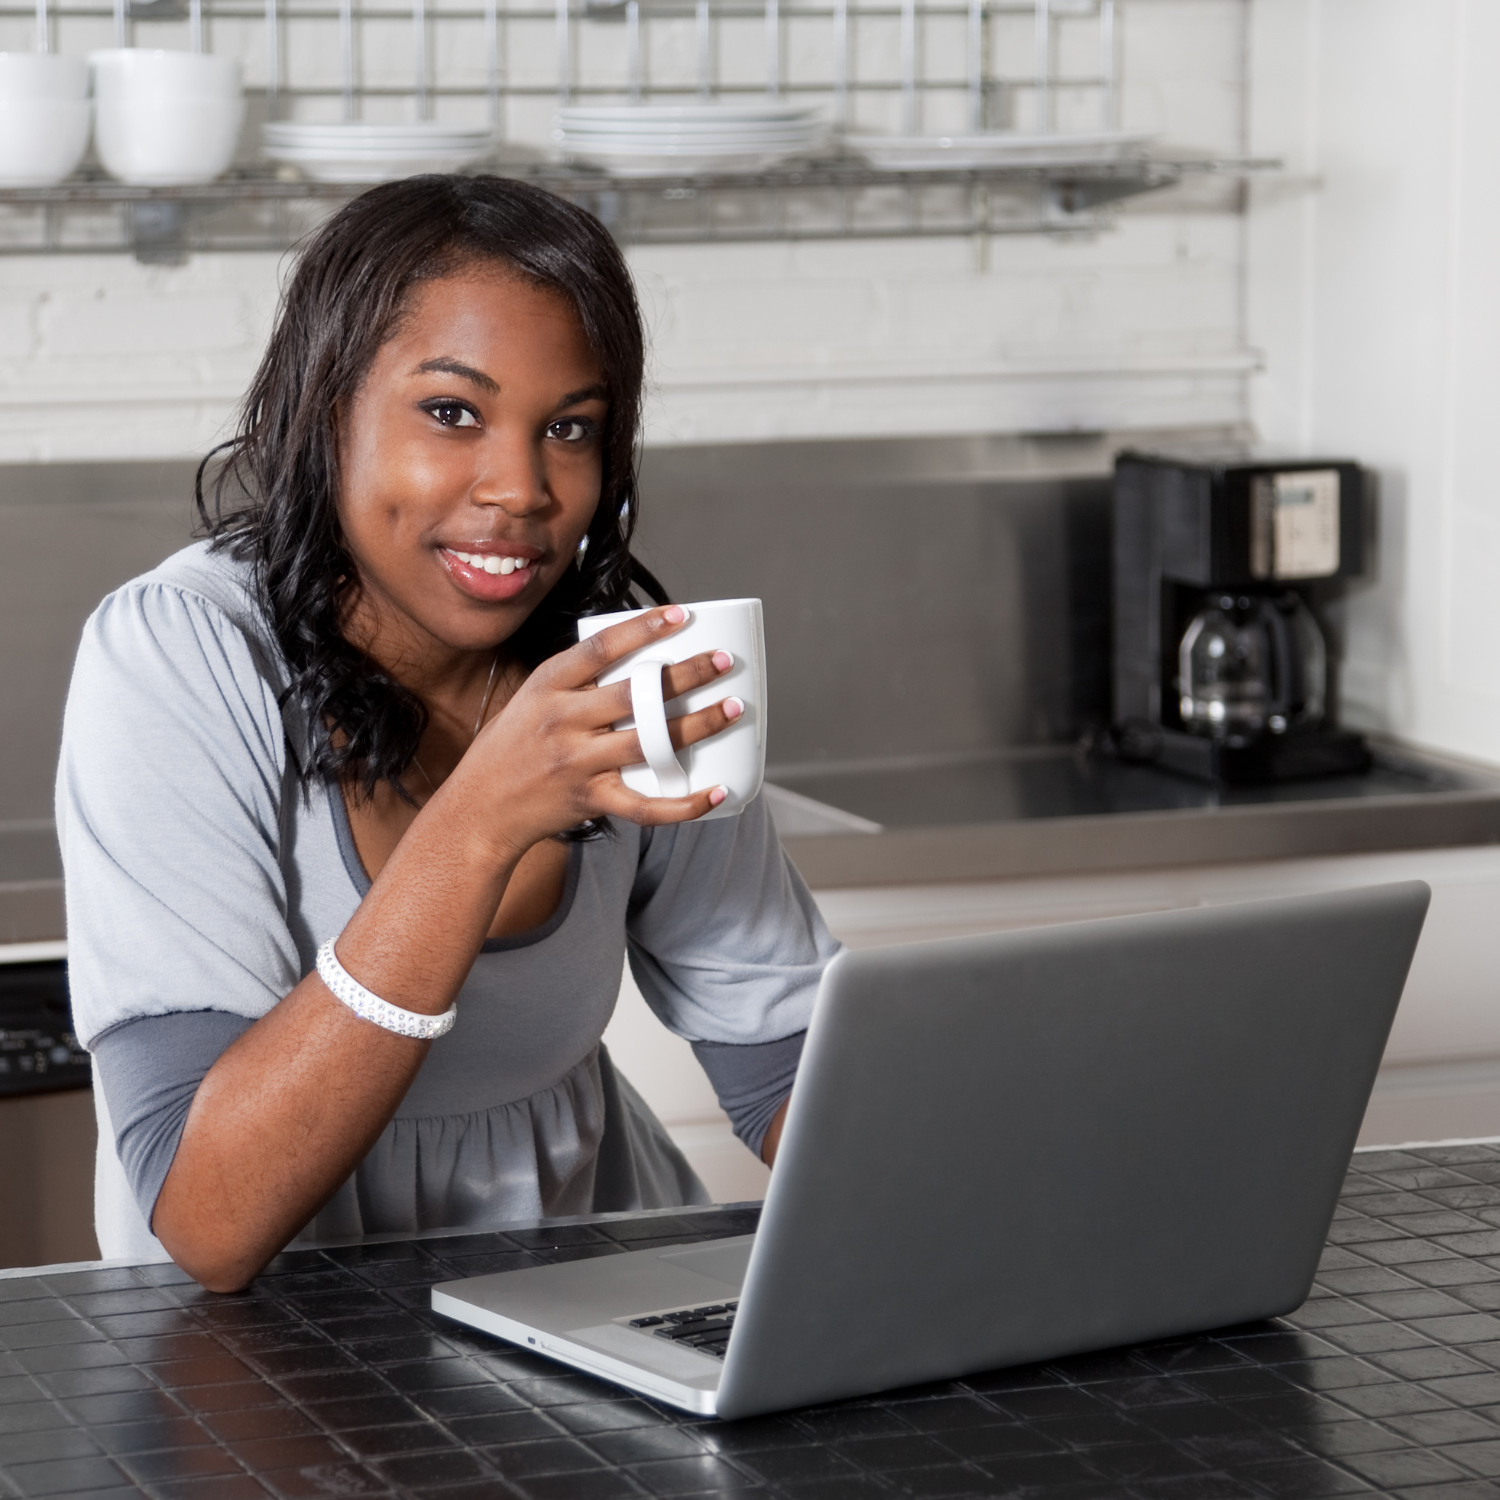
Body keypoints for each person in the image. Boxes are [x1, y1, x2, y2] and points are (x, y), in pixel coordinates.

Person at [57, 175, 838, 1292]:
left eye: (568, 428)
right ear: (322, 412)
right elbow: (207, 1216)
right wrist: (479, 826)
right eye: (452, 413)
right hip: (262, 1353)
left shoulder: (628, 674)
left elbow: (789, 1074)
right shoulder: (181, 652)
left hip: (584, 1307)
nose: (522, 489)